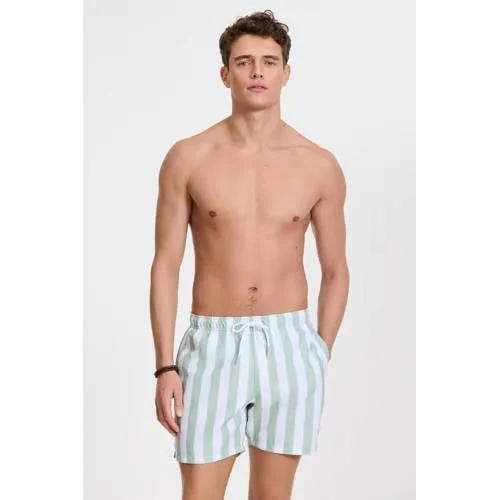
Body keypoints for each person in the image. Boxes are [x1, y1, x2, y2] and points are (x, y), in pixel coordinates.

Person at [150, 9, 350, 500]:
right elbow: (166, 264)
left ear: (286, 73)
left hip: (290, 344)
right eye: (244, 62)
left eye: (268, 61)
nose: (257, 72)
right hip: (213, 343)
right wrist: (165, 366)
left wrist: (317, 353)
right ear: (225, 74)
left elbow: (335, 269)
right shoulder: (188, 157)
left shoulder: (319, 165)